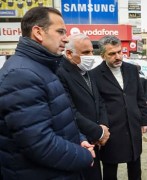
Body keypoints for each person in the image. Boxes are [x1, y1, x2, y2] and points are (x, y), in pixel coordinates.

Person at [0, 7, 94, 179]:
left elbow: (61, 120)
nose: (66, 39)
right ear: (38, 32)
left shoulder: (42, 67)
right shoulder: (21, 74)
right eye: (60, 32)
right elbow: (40, 144)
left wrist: (79, 139)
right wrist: (84, 156)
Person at [91, 35, 147, 180]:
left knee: (135, 167)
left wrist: (144, 120)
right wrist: (102, 127)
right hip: (111, 129)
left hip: (133, 126)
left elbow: (140, 97)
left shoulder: (132, 70)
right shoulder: (94, 75)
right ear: (103, 55)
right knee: (110, 169)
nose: (117, 57)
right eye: (112, 54)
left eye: (119, 52)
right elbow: (98, 103)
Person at [56, 33, 110, 180]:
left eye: (92, 51)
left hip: (96, 139)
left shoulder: (89, 71)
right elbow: (69, 110)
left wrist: (103, 126)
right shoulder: (60, 73)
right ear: (69, 53)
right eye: (86, 52)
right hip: (78, 141)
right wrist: (97, 132)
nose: (91, 56)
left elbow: (99, 101)